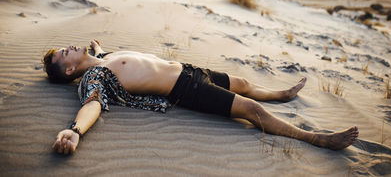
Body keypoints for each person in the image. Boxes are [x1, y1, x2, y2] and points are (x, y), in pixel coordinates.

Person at [43, 40, 358, 155]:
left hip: (189, 70)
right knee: (249, 108)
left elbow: (97, 49)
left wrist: (96, 49)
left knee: (244, 83)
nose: (68, 47)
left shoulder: (100, 58)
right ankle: (316, 139)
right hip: (184, 90)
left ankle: (281, 94)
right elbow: (93, 105)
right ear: (70, 70)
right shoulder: (94, 78)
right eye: (64, 54)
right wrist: (75, 130)